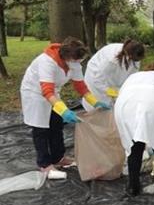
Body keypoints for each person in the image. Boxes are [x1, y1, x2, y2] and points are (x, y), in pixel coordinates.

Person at [20, 37, 110, 174]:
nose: (79, 63)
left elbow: (81, 86)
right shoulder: (47, 62)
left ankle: (58, 157)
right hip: (35, 93)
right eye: (77, 60)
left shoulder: (74, 63)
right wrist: (64, 111)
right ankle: (44, 164)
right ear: (67, 57)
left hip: (53, 93)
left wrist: (95, 102)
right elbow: (46, 90)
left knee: (56, 125)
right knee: (41, 130)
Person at [114, 61, 154, 197]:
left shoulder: (134, 76)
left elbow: (122, 94)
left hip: (124, 106)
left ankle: (133, 187)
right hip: (153, 102)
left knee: (134, 145)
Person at [82, 40, 145, 111]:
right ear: (129, 56)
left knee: (116, 104)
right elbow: (97, 81)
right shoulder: (110, 60)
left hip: (113, 79)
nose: (135, 62)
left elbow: (132, 77)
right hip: (96, 76)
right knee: (100, 105)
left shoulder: (135, 56)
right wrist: (108, 90)